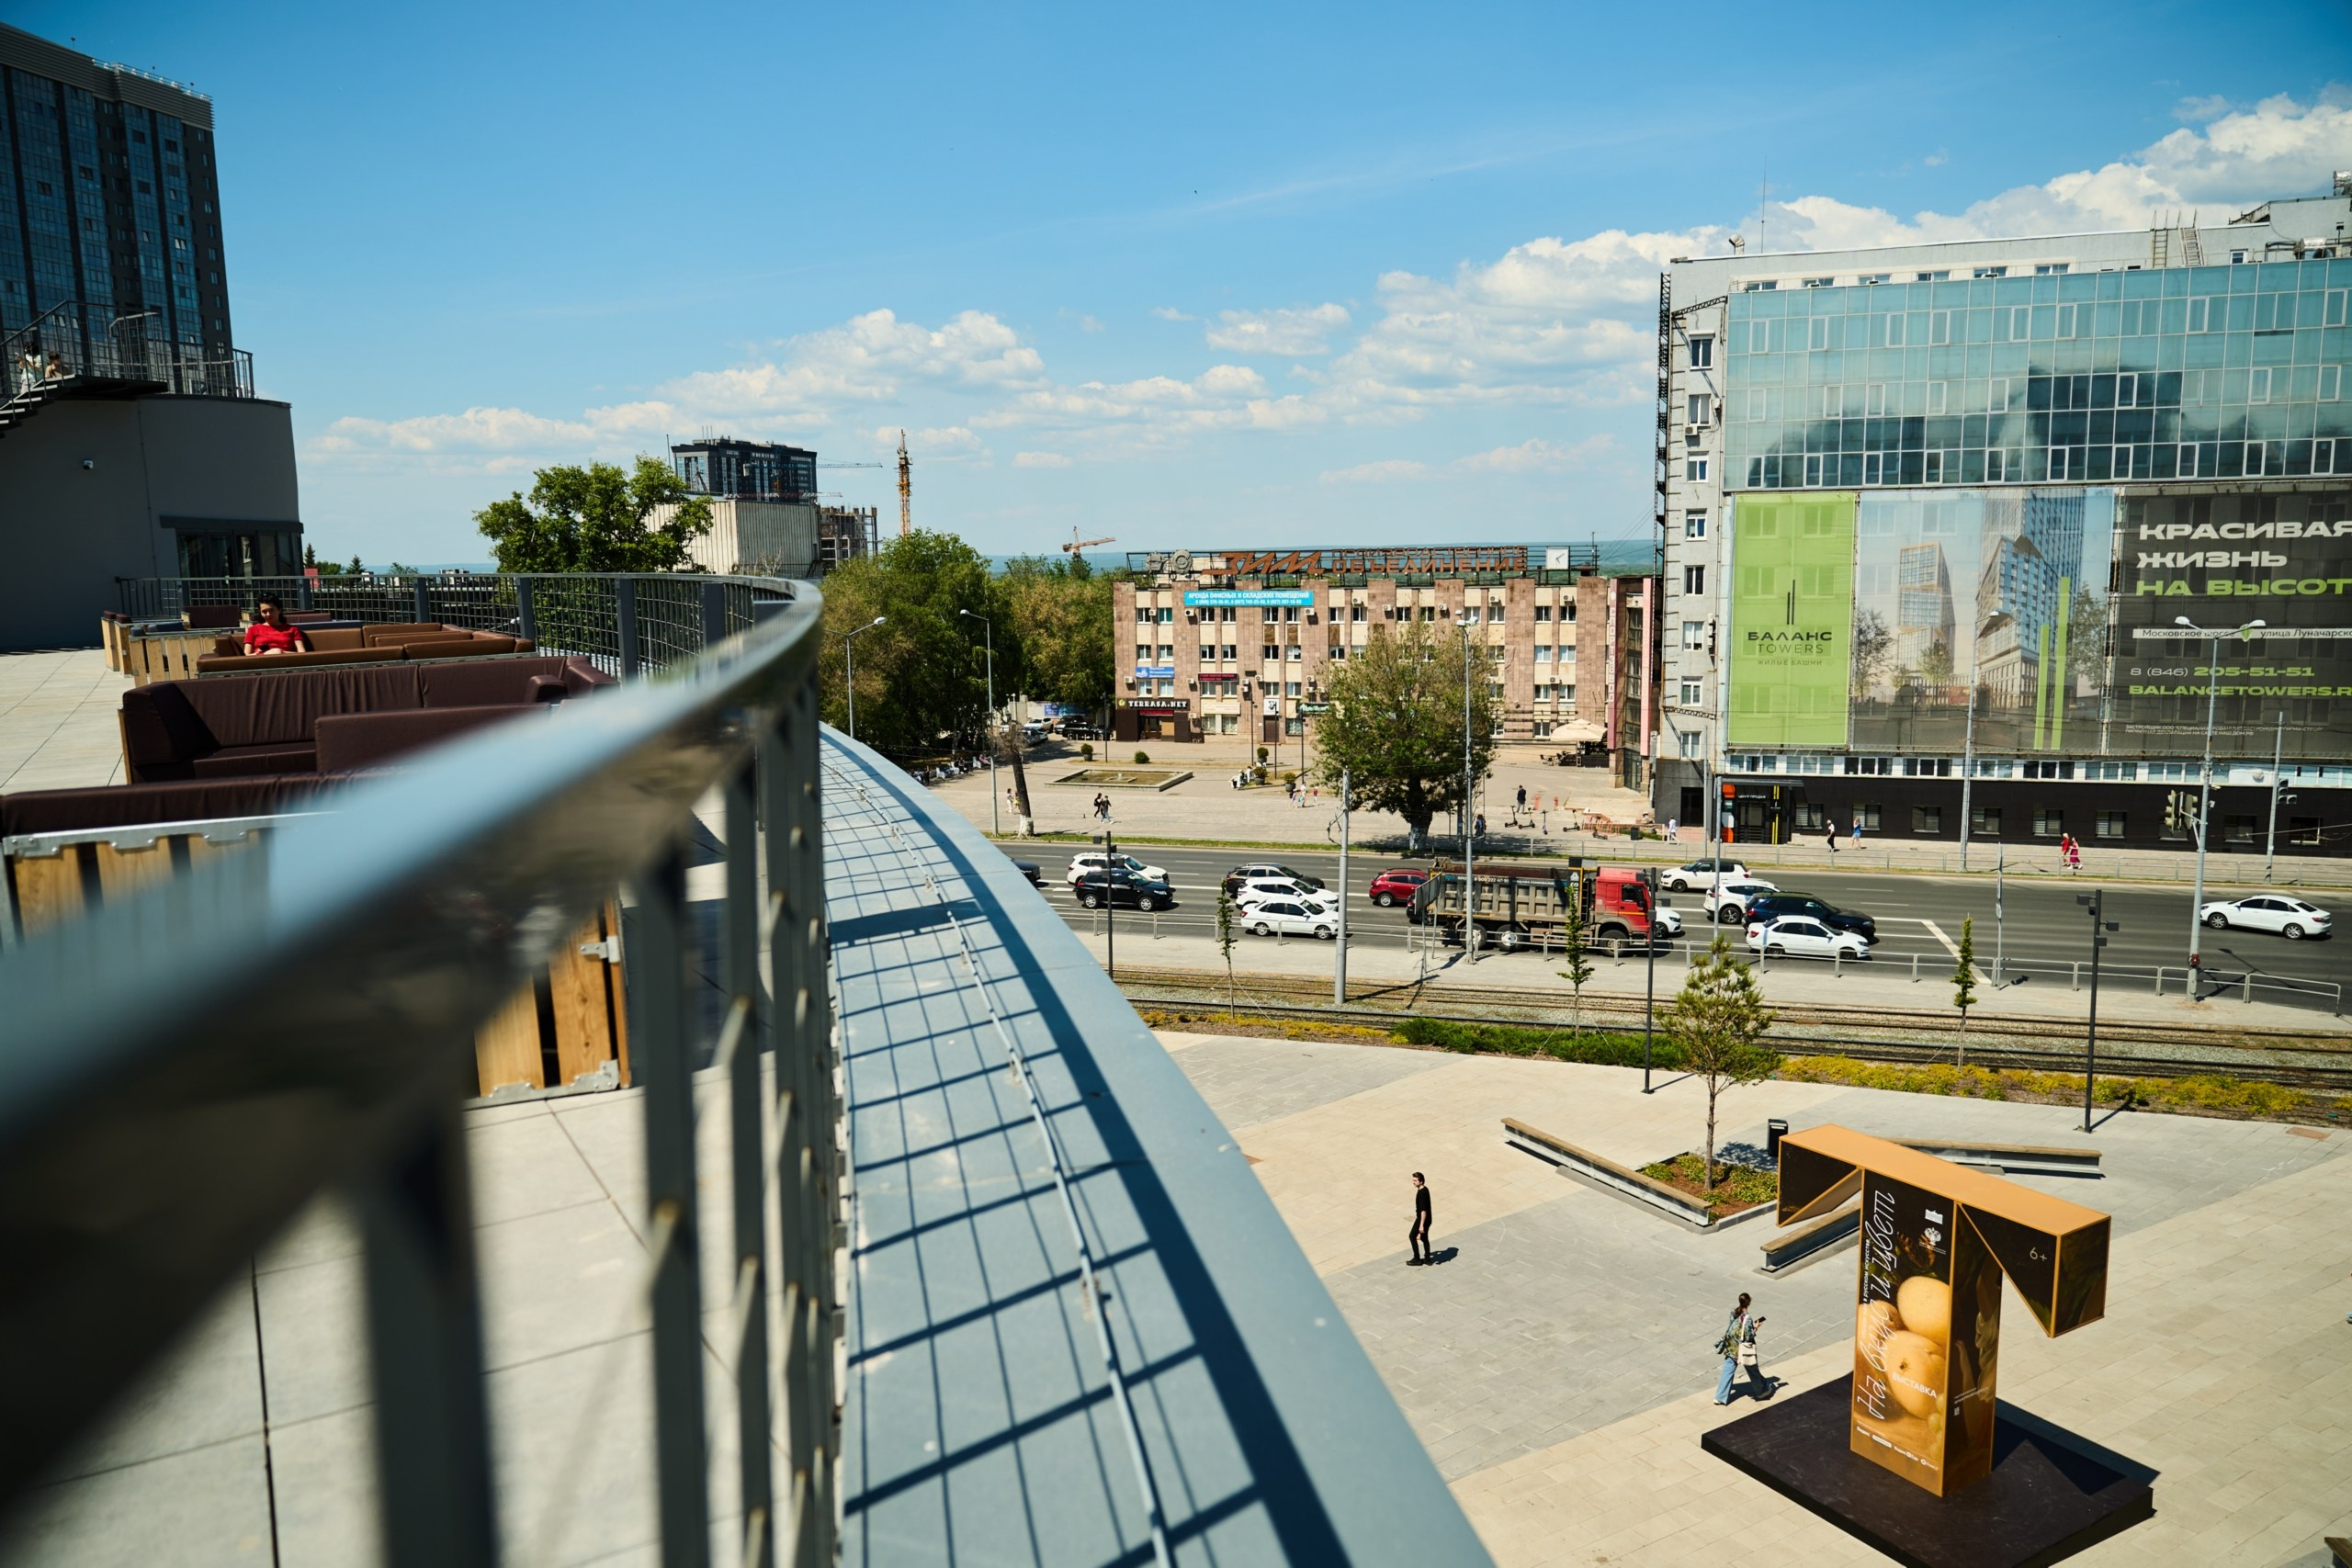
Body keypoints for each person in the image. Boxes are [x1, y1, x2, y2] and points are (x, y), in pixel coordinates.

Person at [1713, 1292, 1762, 1404]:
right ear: (1749, 1303)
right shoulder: (1747, 1318)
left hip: (1731, 1346)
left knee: (1727, 1370)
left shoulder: (1734, 1312)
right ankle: (1762, 1391)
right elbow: (1748, 1336)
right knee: (1752, 1369)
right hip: (1742, 1349)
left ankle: (1720, 1397)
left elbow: (1732, 1327)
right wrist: (1755, 1328)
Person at [242, 594, 311, 657]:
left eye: (271, 611)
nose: (268, 614)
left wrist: (280, 652)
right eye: (264, 612)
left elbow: (302, 653)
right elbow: (246, 655)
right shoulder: (253, 630)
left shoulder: (293, 629)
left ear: (279, 610)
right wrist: (263, 654)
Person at [1407, 1172, 1432, 1265]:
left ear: (1421, 1182)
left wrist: (1421, 1225)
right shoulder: (1425, 1189)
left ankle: (1417, 1258)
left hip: (1422, 1219)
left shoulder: (1422, 1193)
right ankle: (1427, 1259)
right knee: (1424, 1238)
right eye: (1413, 1180)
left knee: (1412, 1236)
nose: (1413, 1182)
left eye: (1415, 1180)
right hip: (1428, 1219)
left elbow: (1423, 1211)